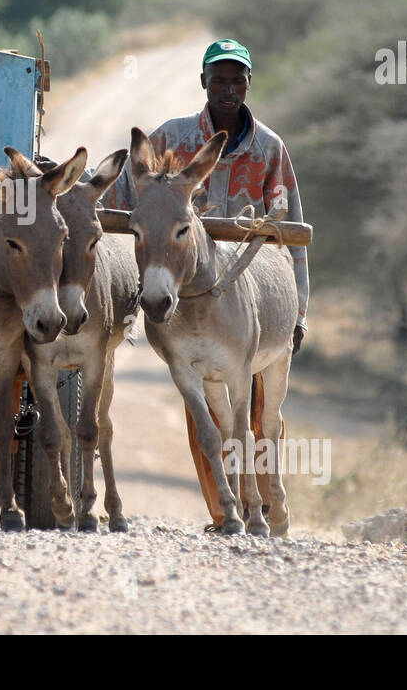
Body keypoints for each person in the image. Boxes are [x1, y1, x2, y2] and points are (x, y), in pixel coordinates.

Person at [104, 38, 308, 530]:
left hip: (250, 290)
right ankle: (226, 511)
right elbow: (123, 190)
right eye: (219, 80)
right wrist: (70, 188)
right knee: (207, 418)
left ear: (248, 85)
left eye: (237, 80)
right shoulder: (171, 138)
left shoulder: (270, 149)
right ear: (204, 84)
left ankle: (269, 499)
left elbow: (292, 229)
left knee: (260, 415)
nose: (229, 89)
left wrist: (300, 308)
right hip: (187, 295)